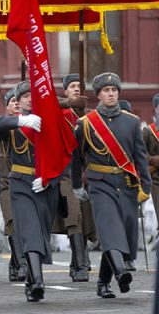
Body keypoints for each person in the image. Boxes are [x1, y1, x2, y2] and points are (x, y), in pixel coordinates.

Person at [72, 72, 151, 299]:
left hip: (126, 184)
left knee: (124, 230)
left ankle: (103, 282)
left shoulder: (132, 121)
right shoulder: (85, 124)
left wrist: (144, 186)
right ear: (98, 95)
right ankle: (121, 271)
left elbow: (140, 157)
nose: (111, 94)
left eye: (114, 90)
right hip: (100, 184)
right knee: (109, 228)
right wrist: (77, 185)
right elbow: (76, 158)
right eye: (106, 90)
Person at [0, 80, 60, 302]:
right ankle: (38, 281)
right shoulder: (11, 126)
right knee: (28, 230)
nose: (29, 99)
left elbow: (64, 155)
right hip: (20, 184)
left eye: (33, 95)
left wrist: (50, 178)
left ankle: (31, 278)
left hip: (45, 185)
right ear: (17, 102)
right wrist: (20, 120)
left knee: (41, 233)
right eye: (25, 96)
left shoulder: (50, 122)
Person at [55, 73, 95, 281]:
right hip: (66, 173)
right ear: (65, 91)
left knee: (87, 218)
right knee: (73, 216)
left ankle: (79, 261)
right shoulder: (60, 113)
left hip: (88, 173)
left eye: (79, 86)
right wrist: (70, 103)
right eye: (72, 86)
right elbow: (42, 106)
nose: (76, 89)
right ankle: (80, 265)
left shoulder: (91, 115)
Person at [0, 90, 27, 282]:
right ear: (7, 106)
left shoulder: (32, 123)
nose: (17, 104)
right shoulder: (2, 125)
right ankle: (21, 264)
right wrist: (18, 121)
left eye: (19, 100)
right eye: (13, 101)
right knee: (11, 220)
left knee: (24, 222)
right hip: (5, 181)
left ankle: (15, 262)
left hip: (26, 178)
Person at [144, 93, 159, 227]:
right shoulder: (148, 131)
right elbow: (140, 152)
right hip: (156, 180)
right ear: (155, 108)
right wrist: (154, 160)